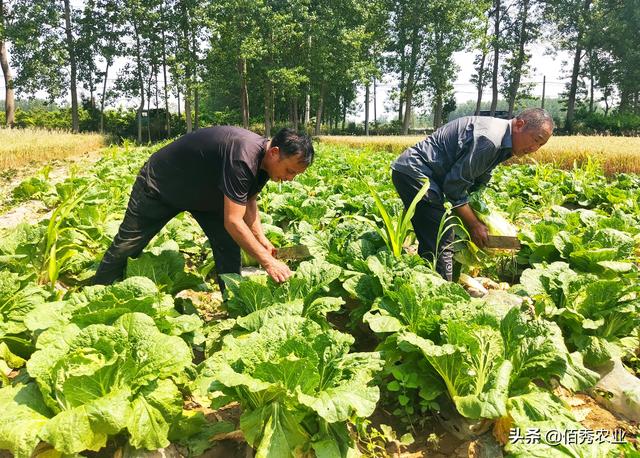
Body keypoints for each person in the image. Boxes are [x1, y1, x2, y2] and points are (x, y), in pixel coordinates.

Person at [92, 126, 314, 290]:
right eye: (290, 171)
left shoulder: (267, 164)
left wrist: (261, 239)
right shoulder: (244, 157)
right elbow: (234, 221)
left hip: (206, 194)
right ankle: (96, 291)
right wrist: (268, 262)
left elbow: (249, 200)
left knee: (229, 246)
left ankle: (236, 302)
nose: (290, 178)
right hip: (163, 184)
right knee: (127, 244)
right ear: (274, 152)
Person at [391, 108, 554, 280]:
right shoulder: (491, 140)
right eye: (536, 140)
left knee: (441, 233)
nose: (534, 148)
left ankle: (432, 280)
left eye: (541, 145)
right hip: (416, 173)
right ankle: (439, 294)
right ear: (520, 125)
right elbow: (454, 187)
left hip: (430, 175)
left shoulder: (506, 142)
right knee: (442, 236)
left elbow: (478, 179)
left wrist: (479, 213)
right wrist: (474, 224)